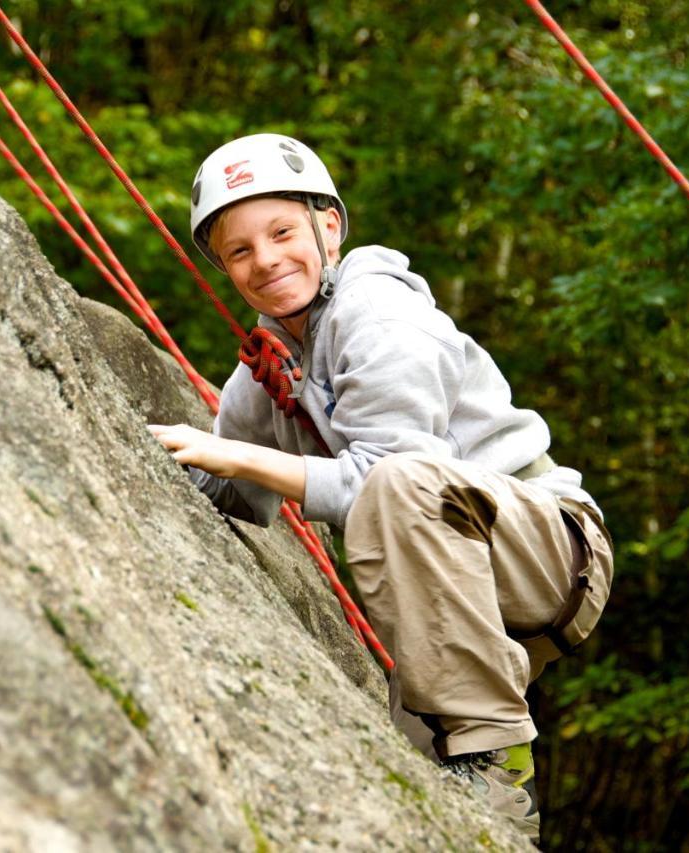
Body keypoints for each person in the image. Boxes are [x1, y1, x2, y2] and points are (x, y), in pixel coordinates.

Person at [148, 134, 613, 842]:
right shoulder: (273, 360)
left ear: (327, 225)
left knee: (399, 481)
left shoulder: (379, 311)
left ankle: (498, 759)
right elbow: (228, 493)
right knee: (417, 776)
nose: (265, 259)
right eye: (239, 250)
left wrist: (236, 454)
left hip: (550, 544)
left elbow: (383, 477)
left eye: (280, 232)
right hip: (461, 586)